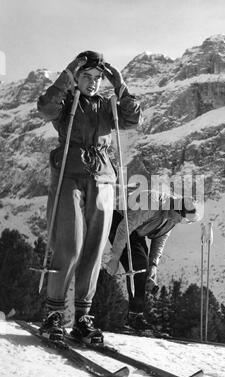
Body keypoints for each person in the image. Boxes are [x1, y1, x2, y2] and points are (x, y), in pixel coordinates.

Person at [37, 51, 141, 344]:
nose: (93, 83)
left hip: (104, 177)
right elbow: (45, 109)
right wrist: (69, 72)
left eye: (98, 78)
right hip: (69, 172)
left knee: (95, 248)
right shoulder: (66, 102)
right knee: (69, 243)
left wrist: (119, 85)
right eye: (87, 77)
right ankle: (55, 313)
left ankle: (83, 316)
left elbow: (132, 119)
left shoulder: (108, 107)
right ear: (77, 78)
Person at [106, 190, 201, 332]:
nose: (182, 222)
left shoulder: (171, 217)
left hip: (136, 232)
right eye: (184, 219)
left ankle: (136, 315)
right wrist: (114, 258)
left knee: (144, 269)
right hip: (119, 221)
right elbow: (124, 227)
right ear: (177, 210)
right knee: (139, 266)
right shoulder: (153, 204)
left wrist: (153, 267)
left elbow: (159, 241)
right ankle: (134, 317)